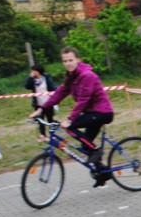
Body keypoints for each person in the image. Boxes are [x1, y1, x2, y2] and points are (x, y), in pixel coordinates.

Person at [29, 47, 114, 186]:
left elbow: (83, 100)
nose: (68, 63)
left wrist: (70, 119)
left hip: (102, 113)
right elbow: (60, 93)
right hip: (91, 114)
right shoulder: (71, 76)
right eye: (65, 61)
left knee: (71, 128)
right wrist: (42, 109)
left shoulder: (87, 75)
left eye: (70, 60)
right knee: (85, 145)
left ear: (78, 60)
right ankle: (103, 173)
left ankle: (96, 151)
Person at [25, 63, 57, 141]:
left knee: (50, 119)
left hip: (48, 102)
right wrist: (30, 77)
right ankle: (43, 135)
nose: (32, 72)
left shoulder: (46, 77)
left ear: (38, 71)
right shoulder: (33, 80)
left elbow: (53, 87)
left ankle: (53, 135)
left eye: (34, 70)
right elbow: (27, 86)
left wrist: (54, 97)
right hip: (38, 104)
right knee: (40, 120)